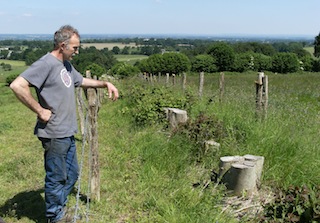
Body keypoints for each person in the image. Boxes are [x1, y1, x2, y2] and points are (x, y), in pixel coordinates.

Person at [10, 25, 119, 223]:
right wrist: (40, 110)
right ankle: (55, 217)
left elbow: (81, 80)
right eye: (75, 48)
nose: (77, 52)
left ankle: (58, 209)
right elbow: (17, 85)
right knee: (57, 177)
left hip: (67, 131)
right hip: (53, 133)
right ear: (62, 45)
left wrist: (105, 84)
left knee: (72, 175)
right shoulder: (46, 63)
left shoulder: (66, 66)